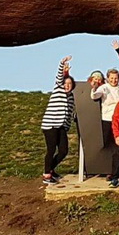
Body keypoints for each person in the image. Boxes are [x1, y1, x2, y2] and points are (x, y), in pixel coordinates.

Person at [41, 56, 76, 185]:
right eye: (65, 84)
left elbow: (68, 113)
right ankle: (46, 174)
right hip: (50, 125)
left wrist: (66, 127)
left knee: (63, 151)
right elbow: (59, 78)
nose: (67, 86)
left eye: (70, 84)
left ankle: (50, 168)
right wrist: (62, 64)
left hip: (61, 126)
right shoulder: (58, 89)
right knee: (51, 149)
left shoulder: (71, 97)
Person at [90, 68, 119, 147]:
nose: (114, 80)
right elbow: (94, 96)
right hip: (107, 119)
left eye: (116, 78)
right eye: (111, 78)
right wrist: (94, 88)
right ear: (108, 78)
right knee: (106, 142)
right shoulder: (104, 87)